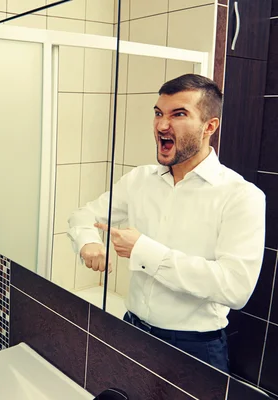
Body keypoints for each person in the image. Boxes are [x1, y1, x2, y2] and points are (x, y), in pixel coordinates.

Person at [67, 74, 266, 373]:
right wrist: (88, 243)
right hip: (130, 330)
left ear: (209, 126)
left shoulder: (241, 196)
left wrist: (144, 251)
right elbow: (84, 215)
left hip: (194, 350)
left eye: (179, 114)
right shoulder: (139, 180)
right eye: (159, 113)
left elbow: (235, 288)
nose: (161, 125)